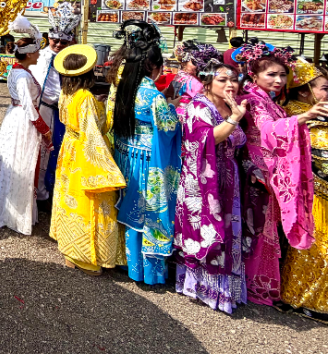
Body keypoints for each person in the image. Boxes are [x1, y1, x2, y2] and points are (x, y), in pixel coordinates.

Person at [236, 43, 325, 306]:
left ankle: (258, 283)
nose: (278, 80)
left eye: (282, 75)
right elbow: (268, 130)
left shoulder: (268, 99)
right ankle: (253, 285)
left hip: (269, 172)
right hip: (256, 173)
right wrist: (304, 117)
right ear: (254, 75)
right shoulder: (252, 99)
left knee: (265, 229)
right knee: (257, 231)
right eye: (271, 74)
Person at [106, 20, 181, 285]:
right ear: (156, 66)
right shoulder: (153, 96)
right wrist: (174, 107)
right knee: (150, 215)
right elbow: (169, 127)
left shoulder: (122, 87)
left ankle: (129, 264)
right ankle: (149, 274)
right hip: (149, 160)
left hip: (125, 154)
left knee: (129, 213)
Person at [173, 61, 249, 314]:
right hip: (202, 179)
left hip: (227, 174)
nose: (230, 85)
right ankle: (202, 286)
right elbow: (207, 139)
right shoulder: (198, 106)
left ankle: (225, 288)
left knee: (229, 228)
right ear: (207, 82)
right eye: (222, 80)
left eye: (234, 80)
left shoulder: (230, 105)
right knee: (205, 228)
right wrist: (235, 119)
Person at [49, 44, 125, 275]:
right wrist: (105, 169)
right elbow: (92, 132)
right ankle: (86, 257)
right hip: (84, 152)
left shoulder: (67, 92)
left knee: (68, 196)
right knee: (91, 200)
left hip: (69, 149)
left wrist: (98, 104)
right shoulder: (86, 98)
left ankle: (69, 248)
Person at [0, 16, 51, 235]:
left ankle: (11, 209)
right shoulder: (22, 76)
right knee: (21, 164)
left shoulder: (17, 70)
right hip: (23, 120)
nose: (40, 54)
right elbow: (30, 108)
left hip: (15, 117)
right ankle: (14, 215)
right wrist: (45, 130)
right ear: (30, 53)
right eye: (37, 51)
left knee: (17, 162)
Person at [281, 59, 328, 322]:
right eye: (324, 88)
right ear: (303, 91)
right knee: (316, 249)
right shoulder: (295, 116)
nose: (327, 94)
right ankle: (304, 298)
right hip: (312, 195)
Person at [32, 1, 81, 202]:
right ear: (49, 37)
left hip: (61, 112)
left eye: (64, 42)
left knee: (59, 150)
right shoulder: (40, 57)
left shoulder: (71, 59)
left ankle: (52, 190)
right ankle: (40, 193)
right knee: (42, 150)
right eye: (56, 40)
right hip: (43, 109)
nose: (59, 44)